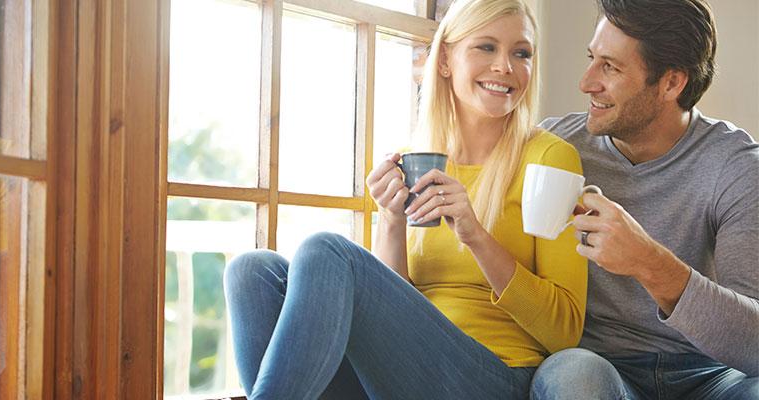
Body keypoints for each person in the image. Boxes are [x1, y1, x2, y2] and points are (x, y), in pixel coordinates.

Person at [224, 0, 588, 398]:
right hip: (403, 376)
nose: (505, 66)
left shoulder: (549, 159)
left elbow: (564, 331)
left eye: (521, 53)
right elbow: (394, 312)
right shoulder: (419, 159)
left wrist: (476, 236)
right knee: (251, 271)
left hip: (493, 375)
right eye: (486, 47)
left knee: (324, 250)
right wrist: (392, 220)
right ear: (446, 59)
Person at [529, 0, 759, 399]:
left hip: (711, 376)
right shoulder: (556, 148)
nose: (585, 82)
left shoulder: (735, 166)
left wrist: (648, 262)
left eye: (611, 67)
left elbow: (754, 345)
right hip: (599, 367)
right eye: (592, 58)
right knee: (573, 376)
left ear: (671, 83)